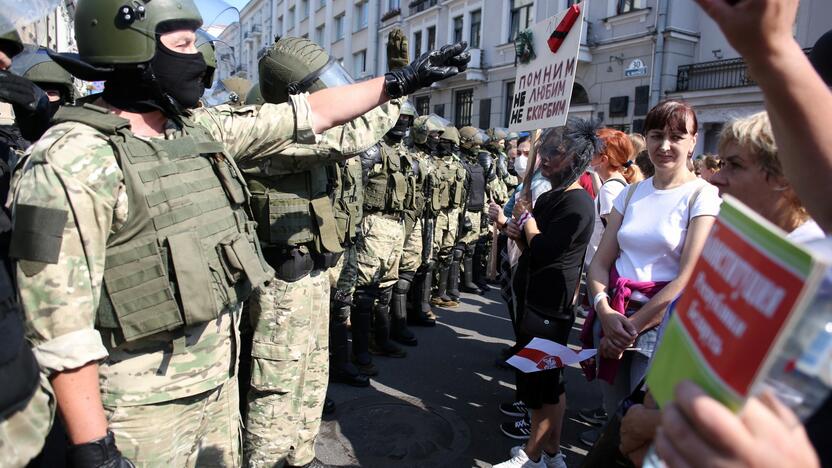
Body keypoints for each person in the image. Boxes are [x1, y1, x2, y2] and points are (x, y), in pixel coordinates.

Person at [8, 1, 471, 466]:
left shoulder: (197, 128)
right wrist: (94, 446)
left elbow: (307, 114)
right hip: (139, 407)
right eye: (183, 45)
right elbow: (58, 328)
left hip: (217, 385)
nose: (197, 59)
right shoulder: (70, 160)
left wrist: (401, 81)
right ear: (134, 49)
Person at [584, 100, 721, 421]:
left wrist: (630, 328)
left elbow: (687, 277)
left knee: (640, 426)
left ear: (693, 141)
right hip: (612, 318)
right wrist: (604, 311)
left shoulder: (703, 195)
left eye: (676, 136)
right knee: (613, 419)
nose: (665, 145)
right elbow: (600, 263)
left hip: (659, 329)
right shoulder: (630, 194)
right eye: (657, 135)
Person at [494, 119, 600, 468]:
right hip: (533, 300)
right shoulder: (552, 196)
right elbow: (528, 245)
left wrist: (527, 224)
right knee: (546, 384)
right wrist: (515, 230)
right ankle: (552, 454)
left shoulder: (578, 204)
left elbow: (546, 250)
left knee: (543, 388)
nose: (545, 159)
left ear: (574, 159)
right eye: (546, 150)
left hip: (549, 308)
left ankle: (531, 456)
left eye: (555, 152)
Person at [578, 128, 640, 447]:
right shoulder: (617, 186)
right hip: (607, 275)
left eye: (594, 150)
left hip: (605, 276)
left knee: (606, 349)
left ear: (604, 158)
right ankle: (607, 414)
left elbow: (609, 240)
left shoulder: (610, 191)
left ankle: (609, 422)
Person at [390, 101, 429, 346]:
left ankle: (398, 323)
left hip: (407, 218)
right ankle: (382, 330)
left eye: (407, 119)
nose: (403, 123)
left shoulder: (409, 155)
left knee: (406, 270)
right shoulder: (375, 151)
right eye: (399, 117)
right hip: (378, 223)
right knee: (378, 281)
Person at [407, 114, 445, 328]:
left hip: (429, 217)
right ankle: (406, 311)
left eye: (438, 136)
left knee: (426, 263)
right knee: (408, 266)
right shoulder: (411, 155)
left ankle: (421, 305)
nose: (436, 139)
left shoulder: (431, 158)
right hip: (413, 218)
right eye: (432, 135)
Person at [431, 125, 467, 307]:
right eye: (443, 141)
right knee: (432, 254)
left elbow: (463, 194)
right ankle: (426, 294)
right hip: (436, 214)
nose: (445, 145)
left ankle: (441, 292)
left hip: (452, 214)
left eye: (449, 142)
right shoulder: (431, 162)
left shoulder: (459, 165)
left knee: (448, 252)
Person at [457, 126, 489, 295]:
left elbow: (482, 189)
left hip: (477, 209)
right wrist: (462, 215)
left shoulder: (476, 163)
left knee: (473, 248)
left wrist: (484, 212)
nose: (478, 147)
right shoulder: (459, 162)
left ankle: (470, 280)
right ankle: (458, 284)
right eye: (474, 144)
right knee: (461, 248)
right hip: (466, 210)